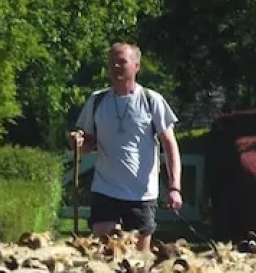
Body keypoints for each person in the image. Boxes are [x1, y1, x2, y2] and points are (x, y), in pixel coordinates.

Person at [67, 42, 182, 252]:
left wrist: (175, 188)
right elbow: (87, 143)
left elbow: (170, 144)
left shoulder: (152, 100)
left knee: (138, 259)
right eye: (112, 62)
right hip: (105, 190)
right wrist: (78, 143)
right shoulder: (97, 100)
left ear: (136, 66)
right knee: (102, 254)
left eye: (122, 62)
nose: (116, 67)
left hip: (141, 194)